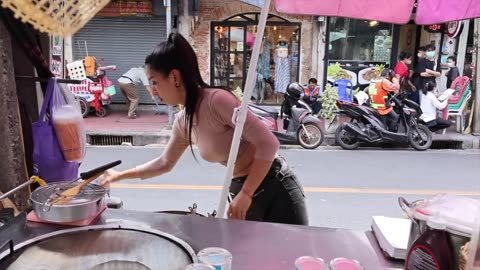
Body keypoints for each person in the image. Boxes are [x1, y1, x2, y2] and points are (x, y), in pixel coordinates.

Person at [100, 33, 308, 225]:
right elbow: (164, 163)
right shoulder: (183, 121)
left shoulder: (217, 101)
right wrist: (118, 175)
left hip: (274, 187)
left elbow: (269, 144)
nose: (152, 91)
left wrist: (246, 193)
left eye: (154, 82)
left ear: (174, 77)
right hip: (242, 188)